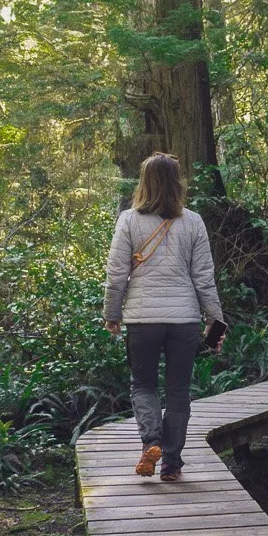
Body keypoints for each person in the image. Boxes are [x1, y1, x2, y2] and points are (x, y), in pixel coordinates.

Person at [103, 153, 226, 482]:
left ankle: (151, 442)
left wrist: (112, 314)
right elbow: (204, 278)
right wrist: (216, 325)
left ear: (144, 182)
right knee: (178, 391)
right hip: (184, 319)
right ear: (177, 183)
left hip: (142, 320)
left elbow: (117, 275)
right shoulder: (194, 221)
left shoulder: (129, 220)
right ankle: (171, 462)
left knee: (143, 384)